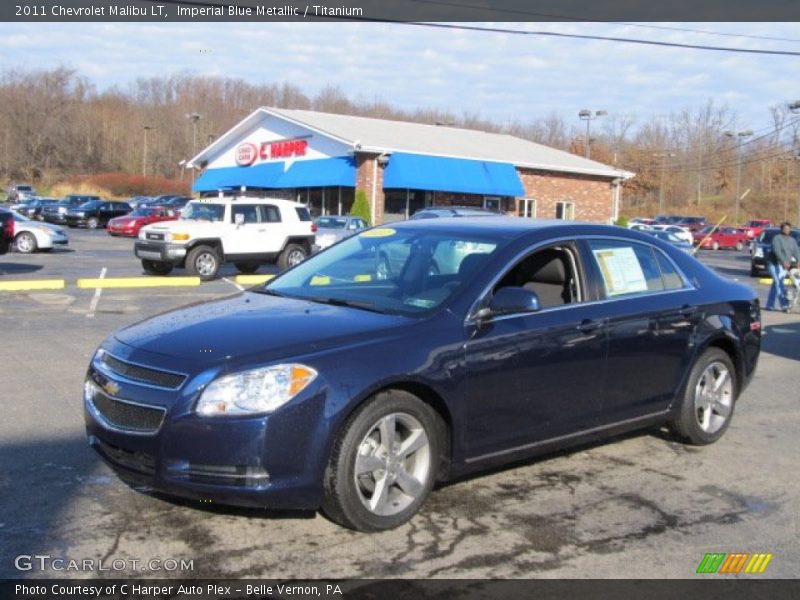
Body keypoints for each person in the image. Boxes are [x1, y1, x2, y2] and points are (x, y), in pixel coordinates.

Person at [766, 221, 800, 312]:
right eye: (785, 228)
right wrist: (783, 261)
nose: (787, 230)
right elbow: (777, 251)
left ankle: (769, 305)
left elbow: (796, 251)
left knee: (776, 284)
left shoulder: (792, 240)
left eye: (788, 229)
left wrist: (798, 260)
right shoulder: (777, 238)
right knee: (779, 283)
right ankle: (784, 305)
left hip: (784, 266)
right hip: (774, 264)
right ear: (781, 229)